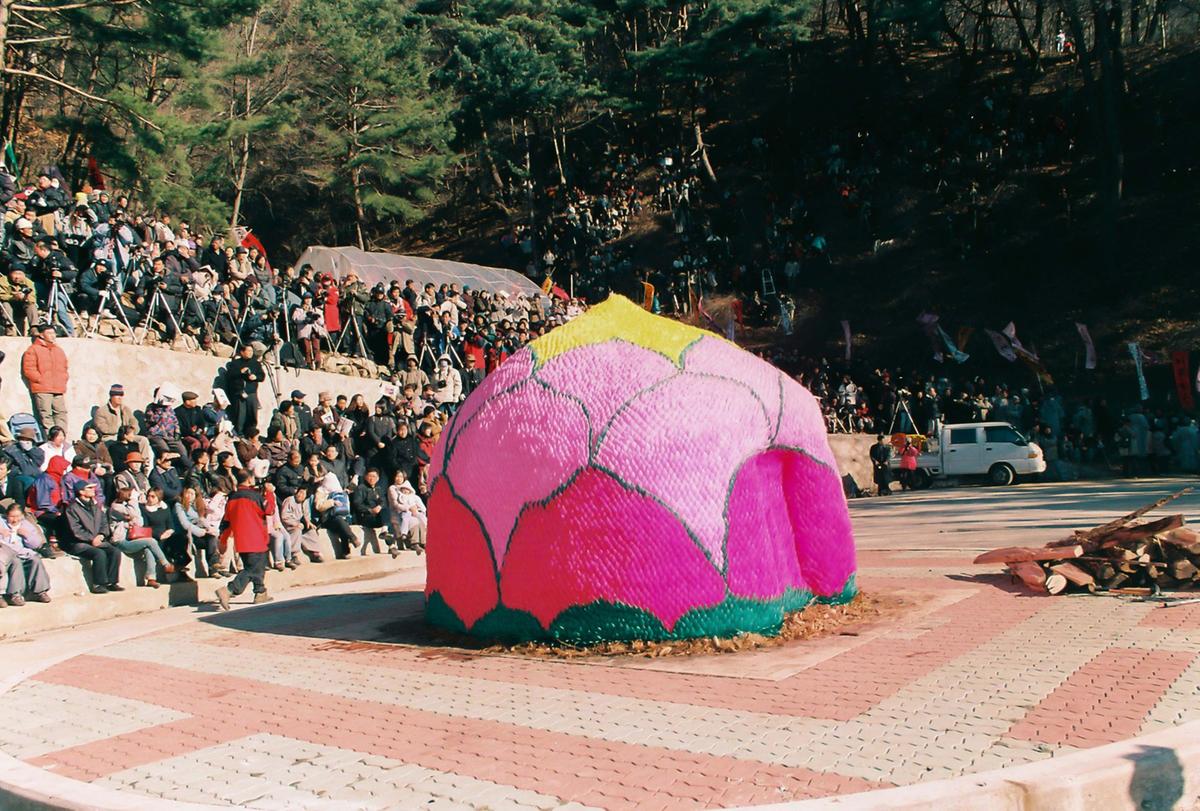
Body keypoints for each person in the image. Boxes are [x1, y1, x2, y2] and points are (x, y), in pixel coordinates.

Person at [213, 470, 272, 609]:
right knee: (252, 569)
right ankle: (229, 590)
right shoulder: (255, 496)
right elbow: (270, 510)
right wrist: (269, 493)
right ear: (249, 479)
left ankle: (260, 592)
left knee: (256, 566)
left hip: (241, 540)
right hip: (256, 538)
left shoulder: (232, 498)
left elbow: (226, 522)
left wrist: (223, 540)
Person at [107, 486, 174, 588]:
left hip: (131, 539)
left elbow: (139, 521)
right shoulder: (116, 507)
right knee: (151, 541)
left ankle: (151, 578)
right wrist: (133, 501)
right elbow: (133, 514)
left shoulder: (128, 506)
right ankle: (166, 564)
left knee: (148, 549)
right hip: (120, 541)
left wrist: (131, 519)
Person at [63, 480, 122, 593]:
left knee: (115, 551)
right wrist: (91, 539)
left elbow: (104, 523)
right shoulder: (72, 509)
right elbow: (76, 530)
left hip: (96, 540)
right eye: (89, 488)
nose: (93, 490)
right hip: (79, 543)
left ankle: (112, 582)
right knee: (99, 553)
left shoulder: (95, 506)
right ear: (81, 492)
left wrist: (101, 535)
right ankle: (98, 584)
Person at [21, 324, 69, 433]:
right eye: (49, 333)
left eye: (53, 333)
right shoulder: (33, 349)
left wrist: (63, 379)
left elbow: (65, 367)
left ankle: (61, 437)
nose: (53, 335)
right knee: (46, 414)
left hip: (58, 388)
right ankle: (51, 437)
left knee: (61, 413)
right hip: (42, 388)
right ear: (42, 335)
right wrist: (40, 380)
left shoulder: (59, 350)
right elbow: (29, 369)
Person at [0, 503, 52, 604]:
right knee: (16, 561)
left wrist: (27, 535)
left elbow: (37, 544)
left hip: (24, 553)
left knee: (36, 560)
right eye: (12, 516)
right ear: (7, 515)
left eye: (18, 516)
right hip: (8, 553)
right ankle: (15, 594)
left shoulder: (25, 524)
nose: (15, 520)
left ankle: (40, 592)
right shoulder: (1, 522)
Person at [224, 344, 266, 437]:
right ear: (242, 352)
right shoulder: (235, 363)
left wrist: (255, 377)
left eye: (251, 351)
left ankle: (252, 433)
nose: (250, 353)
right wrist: (240, 372)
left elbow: (262, 376)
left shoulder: (256, 363)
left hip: (251, 393)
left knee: (252, 414)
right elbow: (229, 376)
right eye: (248, 351)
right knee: (240, 415)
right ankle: (239, 434)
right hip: (239, 393)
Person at [313, 472, 356, 558]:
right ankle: (352, 539)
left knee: (342, 523)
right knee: (340, 522)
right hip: (326, 518)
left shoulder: (339, 491)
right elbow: (318, 507)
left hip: (340, 516)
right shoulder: (321, 492)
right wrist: (332, 502)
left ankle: (347, 549)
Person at [351, 468, 387, 555]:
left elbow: (383, 501)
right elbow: (357, 504)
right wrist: (370, 510)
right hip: (366, 517)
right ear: (365, 477)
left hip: (377, 517)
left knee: (387, 511)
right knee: (388, 519)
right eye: (370, 476)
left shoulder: (379, 489)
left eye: (374, 476)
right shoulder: (361, 488)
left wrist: (379, 506)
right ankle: (390, 542)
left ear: (378, 478)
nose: (372, 478)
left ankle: (386, 534)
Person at [387, 474, 426, 554]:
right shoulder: (394, 489)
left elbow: (422, 507)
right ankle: (414, 543)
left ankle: (423, 542)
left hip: (414, 513)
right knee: (414, 522)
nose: (399, 478)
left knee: (422, 521)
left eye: (401, 477)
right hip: (401, 513)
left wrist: (418, 510)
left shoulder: (414, 497)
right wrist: (409, 508)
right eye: (397, 476)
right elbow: (396, 505)